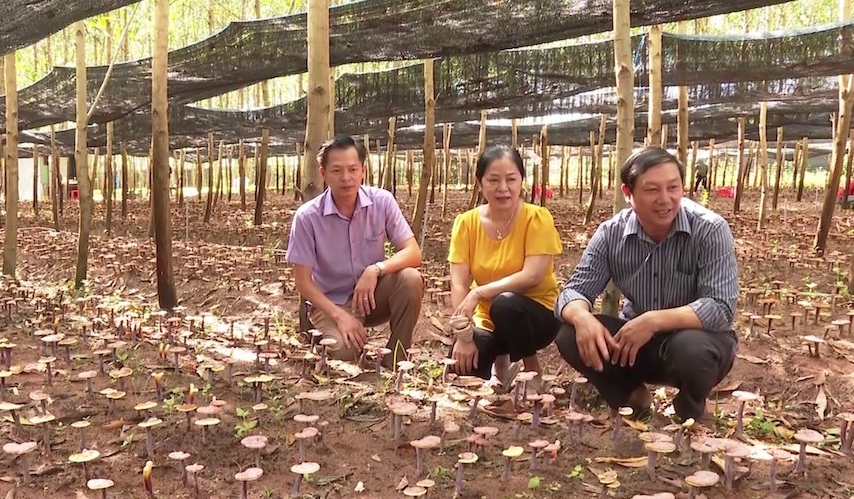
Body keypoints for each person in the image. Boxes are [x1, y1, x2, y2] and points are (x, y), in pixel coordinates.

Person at [554, 146, 738, 423]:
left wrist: (653, 321)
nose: (665, 199)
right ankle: (632, 398)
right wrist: (581, 316)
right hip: (635, 346)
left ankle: (689, 412)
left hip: (696, 344)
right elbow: (574, 290)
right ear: (628, 194)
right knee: (569, 332)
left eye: (673, 188)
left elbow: (721, 307)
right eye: (652, 190)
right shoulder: (610, 234)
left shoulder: (710, 229)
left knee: (692, 348)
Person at [286, 134, 425, 365]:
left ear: (363, 170)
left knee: (410, 279)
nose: (346, 178)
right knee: (344, 352)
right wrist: (340, 316)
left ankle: (396, 360)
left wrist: (375, 269)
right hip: (331, 301)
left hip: (371, 297)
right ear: (323, 173)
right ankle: (316, 328)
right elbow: (302, 281)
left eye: (352, 169)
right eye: (337, 170)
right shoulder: (308, 217)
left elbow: (413, 252)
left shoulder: (382, 202)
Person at [447, 144, 563, 383]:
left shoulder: (536, 218)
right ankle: (501, 370)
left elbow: (531, 276)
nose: (503, 188)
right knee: (462, 365)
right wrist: (463, 335)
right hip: (488, 317)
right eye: (493, 180)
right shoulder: (466, 223)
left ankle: (533, 374)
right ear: (480, 183)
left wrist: (479, 292)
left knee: (505, 304)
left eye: (511, 179)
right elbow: (458, 284)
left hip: (535, 314)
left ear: (521, 180)